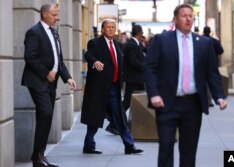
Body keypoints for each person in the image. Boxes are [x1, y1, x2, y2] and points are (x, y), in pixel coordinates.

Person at [144, 4, 227, 167]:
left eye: (191, 16)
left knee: (189, 151)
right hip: (166, 103)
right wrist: (153, 93)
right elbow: (149, 67)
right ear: (175, 19)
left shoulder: (203, 43)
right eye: (184, 16)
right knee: (166, 148)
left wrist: (219, 96)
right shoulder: (162, 40)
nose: (188, 19)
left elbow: (212, 73)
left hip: (193, 105)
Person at [21, 4, 77, 167]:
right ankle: (37, 156)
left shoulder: (54, 32)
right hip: (37, 81)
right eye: (54, 15)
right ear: (44, 14)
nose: (56, 17)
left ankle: (39, 155)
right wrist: (46, 72)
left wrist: (68, 78)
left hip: (51, 83)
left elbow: (59, 60)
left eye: (57, 15)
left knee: (45, 116)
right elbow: (29, 57)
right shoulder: (34, 32)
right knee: (45, 113)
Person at [80, 18, 143, 155]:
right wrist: (95, 61)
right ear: (102, 29)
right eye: (107, 27)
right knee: (95, 119)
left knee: (120, 117)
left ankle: (129, 145)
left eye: (113, 27)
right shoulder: (95, 43)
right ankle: (88, 145)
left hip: (114, 88)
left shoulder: (118, 44)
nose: (110, 29)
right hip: (99, 88)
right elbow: (88, 54)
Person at [122, 24, 145, 112]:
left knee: (141, 99)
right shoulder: (133, 45)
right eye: (142, 33)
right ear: (139, 33)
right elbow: (133, 61)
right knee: (127, 102)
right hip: (133, 79)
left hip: (136, 79)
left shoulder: (135, 44)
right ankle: (114, 123)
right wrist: (144, 66)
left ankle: (139, 121)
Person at [203, 26, 224, 107]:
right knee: (212, 80)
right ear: (210, 32)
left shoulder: (200, 40)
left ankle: (207, 100)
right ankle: (210, 100)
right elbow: (221, 51)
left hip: (202, 65)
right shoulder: (214, 41)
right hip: (213, 63)